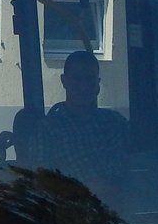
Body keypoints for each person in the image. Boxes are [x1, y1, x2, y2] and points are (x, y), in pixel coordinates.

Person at [36, 49, 130, 186]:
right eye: (77, 79)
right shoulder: (47, 130)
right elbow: (42, 183)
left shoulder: (116, 122)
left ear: (98, 83)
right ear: (64, 81)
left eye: (90, 79)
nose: (84, 86)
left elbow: (140, 162)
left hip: (129, 204)